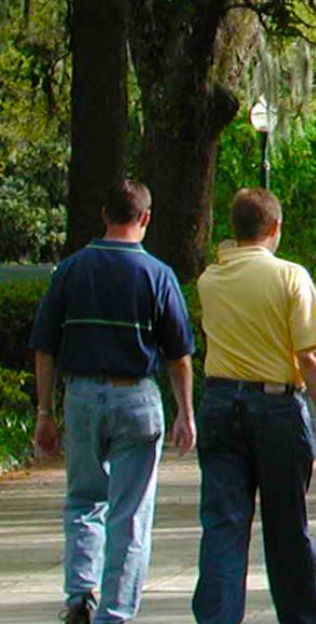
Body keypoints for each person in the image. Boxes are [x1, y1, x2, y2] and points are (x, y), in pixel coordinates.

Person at [29, 179, 196, 624]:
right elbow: (179, 356)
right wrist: (185, 413)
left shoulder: (70, 271)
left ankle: (80, 595)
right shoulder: (157, 275)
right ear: (145, 218)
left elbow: (44, 347)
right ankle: (115, 613)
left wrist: (45, 412)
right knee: (130, 514)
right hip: (137, 396)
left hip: (82, 395)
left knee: (83, 501)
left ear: (104, 215)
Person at [193, 188, 316, 624]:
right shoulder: (290, 277)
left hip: (220, 402)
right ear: (275, 227)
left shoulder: (210, 280)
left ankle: (218, 618)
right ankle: (302, 616)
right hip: (276, 407)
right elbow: (310, 356)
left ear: (235, 229)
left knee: (223, 524)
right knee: (287, 526)